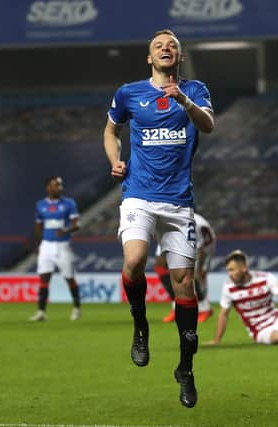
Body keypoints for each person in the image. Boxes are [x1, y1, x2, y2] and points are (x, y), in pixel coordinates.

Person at [103, 29, 215, 408]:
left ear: (179, 57)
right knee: (134, 261)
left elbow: (208, 125)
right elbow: (110, 129)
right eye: (158, 46)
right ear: (149, 58)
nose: (166, 49)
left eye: (172, 46)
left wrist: (182, 98)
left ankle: (185, 369)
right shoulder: (129, 92)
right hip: (139, 195)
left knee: (185, 286)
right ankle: (140, 324)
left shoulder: (196, 90)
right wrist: (114, 160)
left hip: (179, 203)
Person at [30, 176, 81, 322]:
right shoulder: (40, 205)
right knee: (44, 277)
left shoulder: (69, 203)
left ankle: (76, 308)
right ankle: (41, 311)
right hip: (46, 245)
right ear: (48, 187)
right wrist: (38, 244)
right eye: (55, 185)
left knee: (69, 277)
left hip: (62, 246)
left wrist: (66, 230)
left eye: (60, 185)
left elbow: (76, 224)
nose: (59, 188)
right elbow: (38, 225)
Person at [157, 212, 215, 324]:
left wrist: (199, 269)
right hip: (174, 241)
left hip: (202, 248)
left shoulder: (193, 220)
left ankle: (205, 308)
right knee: (161, 268)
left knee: (191, 274)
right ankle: (177, 307)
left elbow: (201, 248)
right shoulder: (163, 216)